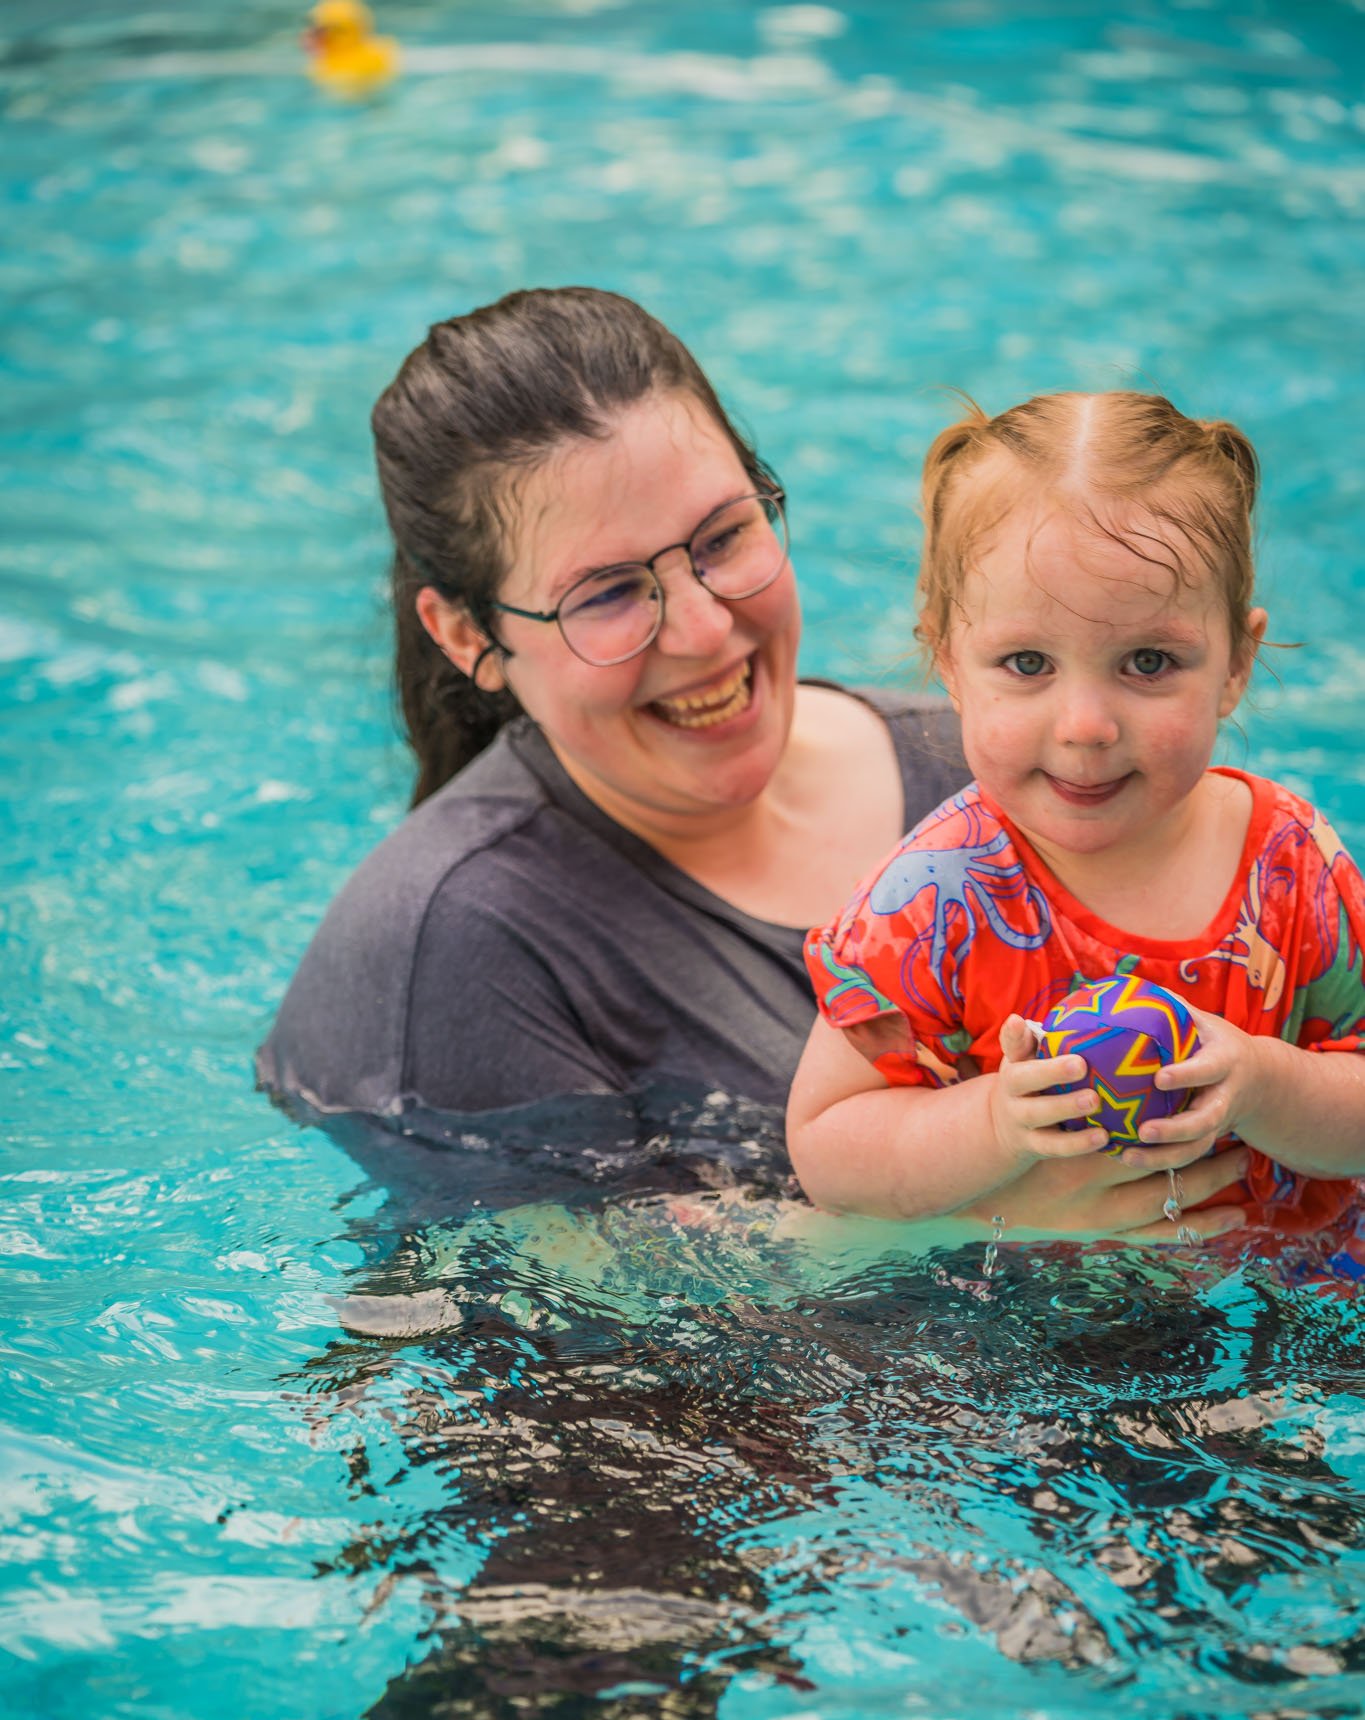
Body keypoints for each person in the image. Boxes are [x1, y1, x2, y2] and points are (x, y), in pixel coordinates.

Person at [257, 291, 1253, 1240]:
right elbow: (589, 1307)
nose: (704, 628)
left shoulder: (1011, 768)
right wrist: (991, 1226)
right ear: (467, 631)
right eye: (606, 593)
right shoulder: (451, 945)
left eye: (724, 536)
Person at [790, 391, 1365, 1235]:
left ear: (1236, 662)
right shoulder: (931, 904)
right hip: (1032, 1325)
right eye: (1026, 662)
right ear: (947, 658)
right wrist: (991, 1125)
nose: (1086, 727)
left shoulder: (1290, 865)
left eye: (1147, 661)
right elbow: (827, 1150)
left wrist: (1266, 1084)